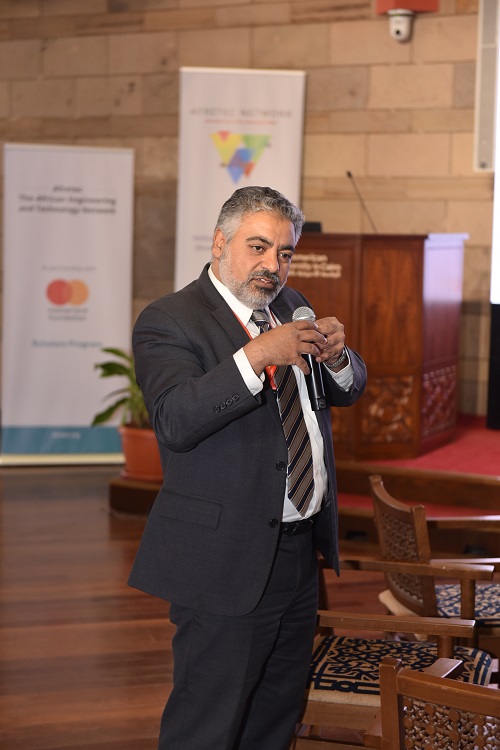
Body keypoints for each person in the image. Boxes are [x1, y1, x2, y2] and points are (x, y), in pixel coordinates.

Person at [128, 185, 367, 750]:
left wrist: (336, 359)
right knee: (206, 724)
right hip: (223, 559)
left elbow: (349, 391)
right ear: (220, 242)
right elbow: (176, 420)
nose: (272, 266)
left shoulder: (289, 305)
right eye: (258, 248)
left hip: (296, 551)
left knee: (274, 717)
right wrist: (257, 354)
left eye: (284, 253)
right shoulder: (170, 319)